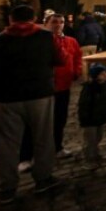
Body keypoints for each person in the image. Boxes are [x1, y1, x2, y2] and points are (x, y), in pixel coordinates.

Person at [0, 5, 66, 204]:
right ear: (34, 18)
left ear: (10, 19)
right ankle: (43, 178)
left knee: (6, 145)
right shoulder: (46, 37)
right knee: (43, 138)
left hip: (7, 97)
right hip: (40, 94)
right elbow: (60, 59)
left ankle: (8, 188)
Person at [45, 13, 83, 158]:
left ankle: (57, 147)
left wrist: (76, 71)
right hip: (45, 87)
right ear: (47, 23)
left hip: (64, 86)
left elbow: (78, 57)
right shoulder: (42, 41)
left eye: (61, 22)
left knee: (60, 118)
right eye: (54, 22)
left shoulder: (71, 41)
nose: (59, 24)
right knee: (42, 120)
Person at [77, 64, 106, 167]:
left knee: (98, 136)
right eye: (101, 74)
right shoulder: (89, 88)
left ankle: (95, 154)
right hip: (90, 119)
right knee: (90, 140)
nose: (105, 75)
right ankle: (89, 159)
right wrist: (84, 118)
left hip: (100, 117)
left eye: (105, 73)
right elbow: (84, 104)